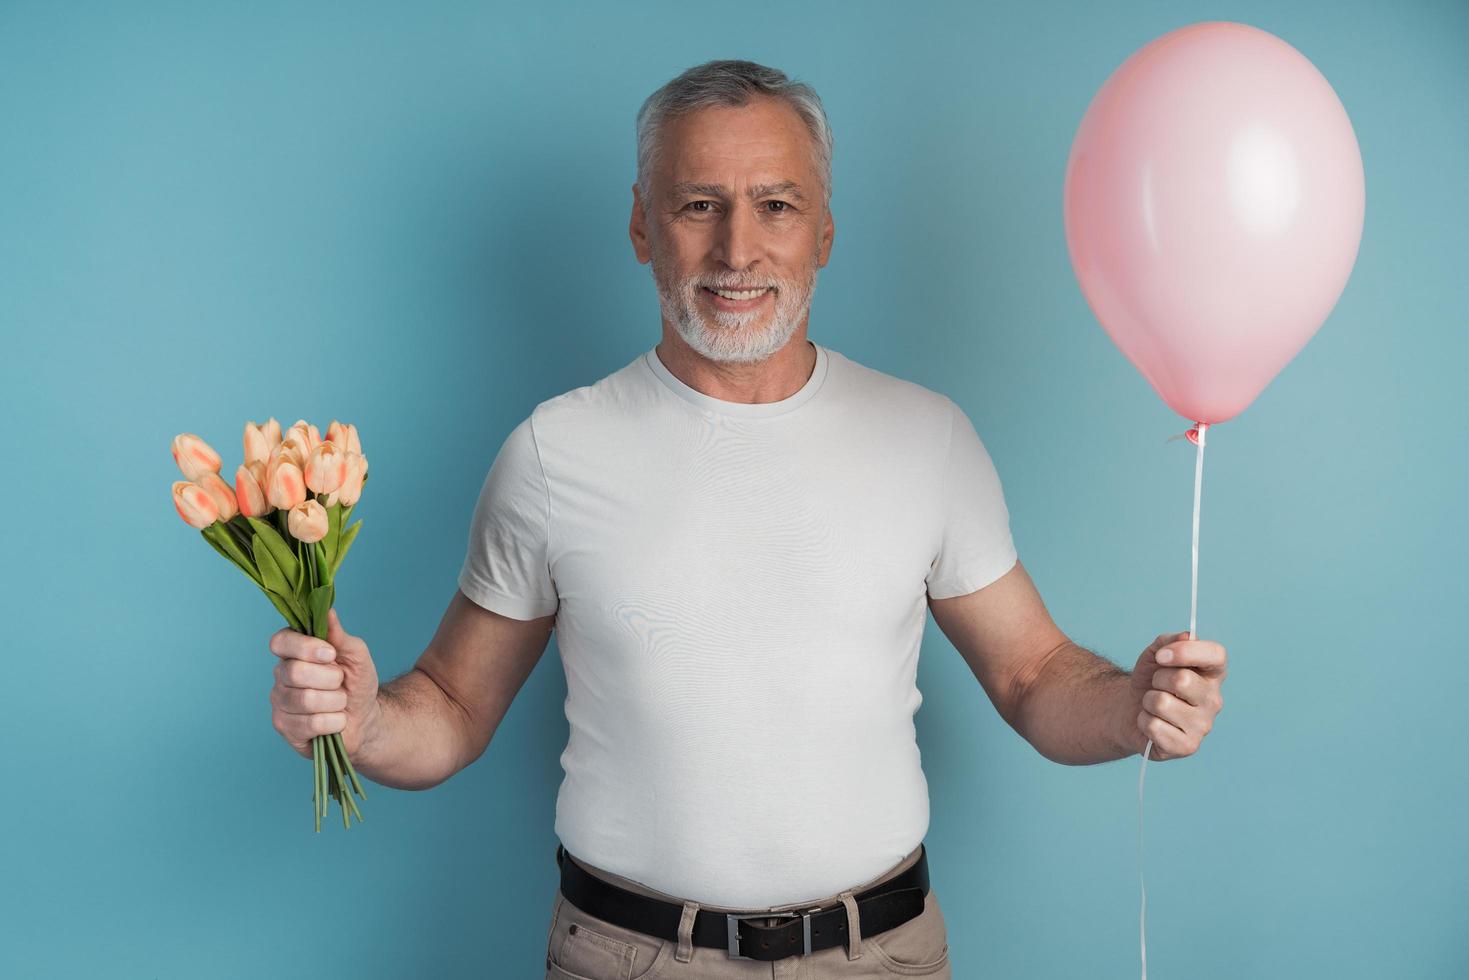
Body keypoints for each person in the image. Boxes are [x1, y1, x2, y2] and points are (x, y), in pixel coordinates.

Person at [267, 60, 1228, 978]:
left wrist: (1127, 706)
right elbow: (454, 707)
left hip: (881, 960)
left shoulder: (925, 438)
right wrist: (360, 722)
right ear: (643, 228)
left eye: (776, 204)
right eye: (698, 205)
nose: (737, 250)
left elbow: (1032, 677)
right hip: (628, 959)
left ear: (823, 234)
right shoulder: (553, 454)